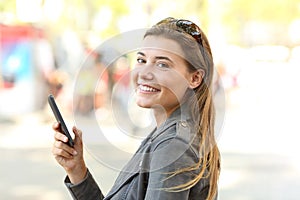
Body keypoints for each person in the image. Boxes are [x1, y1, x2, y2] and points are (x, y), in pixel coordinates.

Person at [51, 17, 220, 200]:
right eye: (141, 60)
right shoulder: (165, 135)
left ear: (194, 78)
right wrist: (77, 171)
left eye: (162, 64)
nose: (144, 73)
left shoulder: (173, 145)